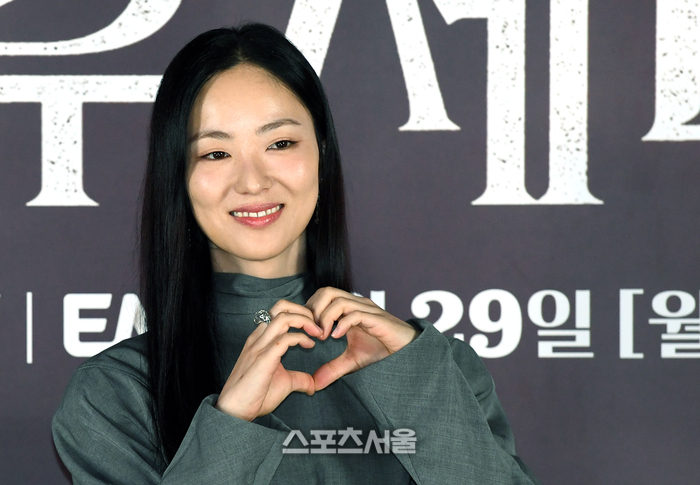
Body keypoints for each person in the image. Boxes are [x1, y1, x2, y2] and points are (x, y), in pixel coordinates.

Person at [52, 23, 540, 484]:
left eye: (281, 143)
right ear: (178, 175)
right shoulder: (114, 394)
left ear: (322, 154)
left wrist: (417, 380)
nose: (252, 181)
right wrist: (229, 424)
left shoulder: (434, 367)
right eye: (215, 153)